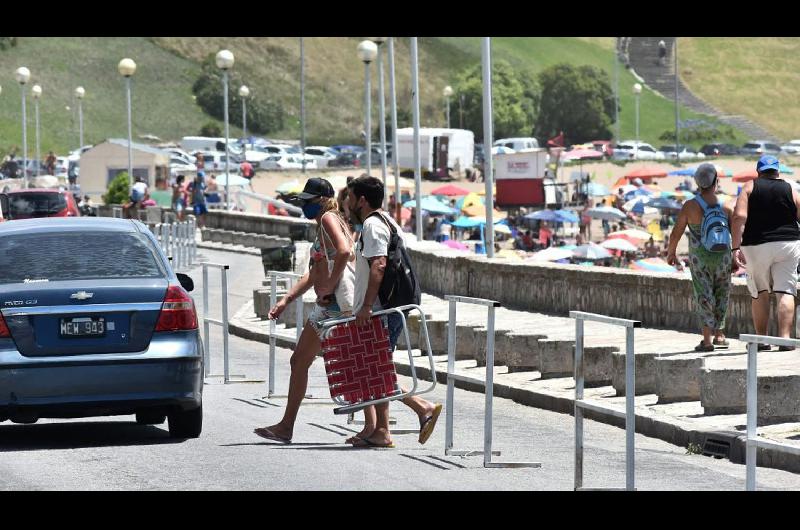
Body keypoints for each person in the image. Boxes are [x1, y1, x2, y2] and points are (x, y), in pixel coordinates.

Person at [254, 178, 357, 444]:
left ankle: (286, 427)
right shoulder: (330, 221)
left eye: (308, 202)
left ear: (322, 200)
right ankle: (378, 426)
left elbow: (345, 252)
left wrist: (329, 287)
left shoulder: (327, 220)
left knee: (315, 363)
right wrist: (286, 299)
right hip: (330, 307)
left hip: (332, 307)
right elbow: (313, 273)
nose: (304, 206)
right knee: (351, 364)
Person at [344, 175, 442, 448]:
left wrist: (365, 306)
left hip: (380, 311)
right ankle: (380, 430)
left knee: (377, 370)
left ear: (362, 200)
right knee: (375, 369)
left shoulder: (374, 226)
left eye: (351, 198)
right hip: (382, 309)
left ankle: (422, 408)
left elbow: (379, 265)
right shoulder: (385, 220)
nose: (348, 202)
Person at [732, 155, 800, 351]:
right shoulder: (790, 188)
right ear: (777, 171)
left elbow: (738, 218)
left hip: (756, 245)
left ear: (758, 172)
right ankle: (785, 340)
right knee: (786, 291)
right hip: (788, 244)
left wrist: (735, 247)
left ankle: (762, 340)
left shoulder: (750, 187)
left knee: (760, 291)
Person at [667, 163, 732, 351]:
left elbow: (676, 232)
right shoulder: (726, 205)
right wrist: (735, 255)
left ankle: (707, 340)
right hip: (723, 257)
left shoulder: (690, 206)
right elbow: (736, 232)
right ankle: (720, 335)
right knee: (722, 292)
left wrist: (671, 252)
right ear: (716, 182)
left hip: (700, 259)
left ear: (697, 183)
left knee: (703, 295)